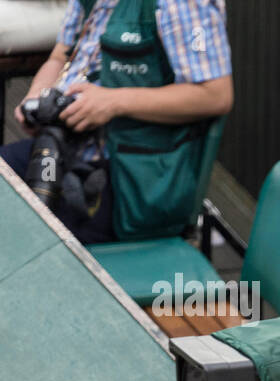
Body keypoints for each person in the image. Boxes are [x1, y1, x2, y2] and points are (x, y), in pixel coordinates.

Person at [1, 0, 233, 244]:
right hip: (62, 149)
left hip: (126, 181)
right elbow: (59, 57)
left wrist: (114, 102)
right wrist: (37, 96)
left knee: (18, 243)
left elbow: (215, 95)